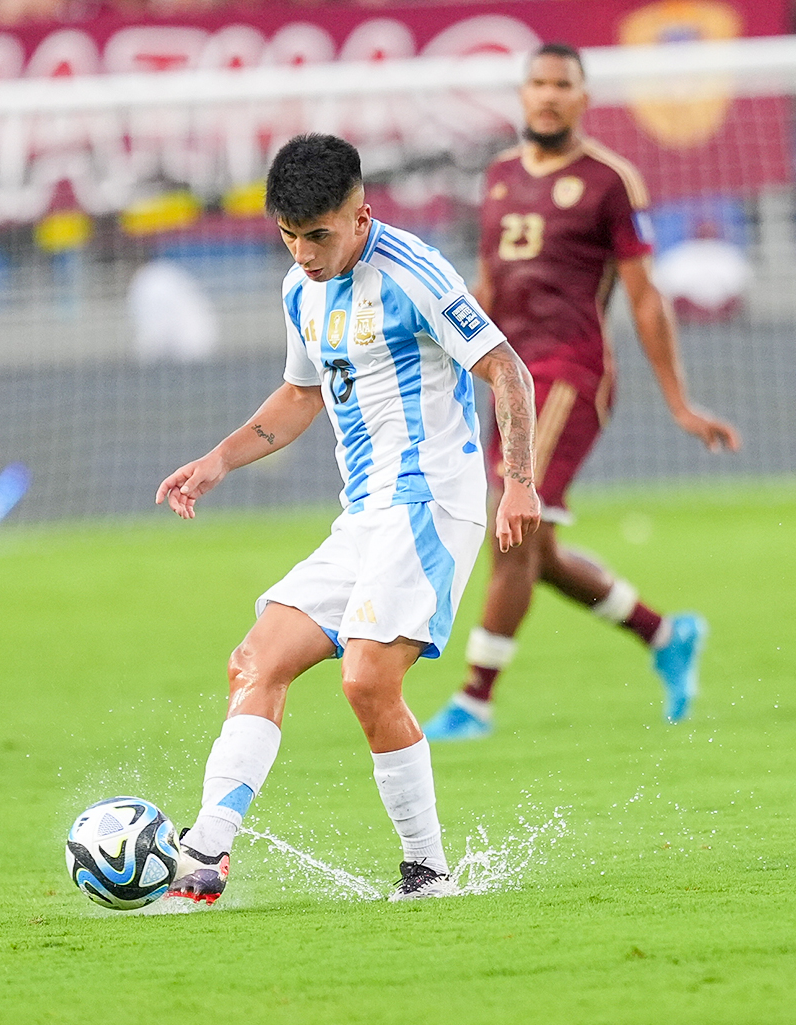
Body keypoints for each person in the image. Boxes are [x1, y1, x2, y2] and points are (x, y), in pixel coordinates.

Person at [155, 133, 540, 904]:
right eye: (289, 235)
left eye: (319, 234)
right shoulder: (301, 289)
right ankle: (207, 853)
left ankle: (427, 871)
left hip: (431, 503)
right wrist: (220, 459)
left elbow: (507, 368)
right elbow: (300, 395)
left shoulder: (414, 273)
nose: (302, 251)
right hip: (363, 518)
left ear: (361, 215)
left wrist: (519, 482)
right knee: (256, 660)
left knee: (367, 680)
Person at [423, 43, 741, 742]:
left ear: (583, 97)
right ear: (522, 94)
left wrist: (679, 402)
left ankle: (475, 700)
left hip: (569, 374)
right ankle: (665, 635)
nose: (547, 95)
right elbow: (488, 288)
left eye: (561, 84)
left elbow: (645, 298)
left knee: (511, 531)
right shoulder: (500, 176)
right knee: (535, 547)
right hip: (509, 374)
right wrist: (440, 352)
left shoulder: (609, 181)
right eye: (536, 83)